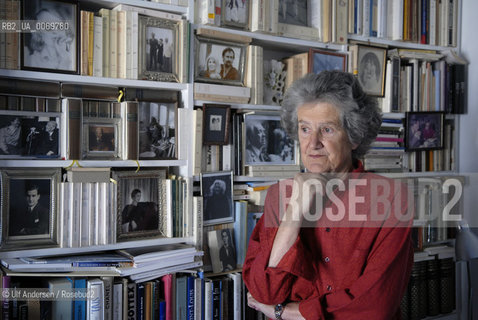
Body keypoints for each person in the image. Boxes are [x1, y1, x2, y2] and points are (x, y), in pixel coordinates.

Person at [243, 71, 413, 319]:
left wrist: (291, 313)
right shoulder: (279, 196)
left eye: (327, 130)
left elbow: (375, 307)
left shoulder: (390, 199)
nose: (313, 143)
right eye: (304, 129)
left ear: (354, 137)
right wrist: (295, 210)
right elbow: (264, 291)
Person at [24, 7, 75, 71]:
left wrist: (65, 57)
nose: (55, 32)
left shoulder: (73, 57)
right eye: (48, 27)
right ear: (39, 33)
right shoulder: (32, 60)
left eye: (59, 26)